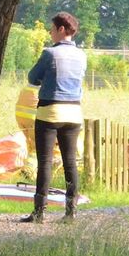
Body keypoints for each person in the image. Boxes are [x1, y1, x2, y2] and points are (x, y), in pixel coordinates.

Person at [22, 12, 87, 223]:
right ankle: (71, 211)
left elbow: (33, 77)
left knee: (45, 162)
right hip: (74, 113)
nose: (50, 33)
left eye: (51, 29)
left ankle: (39, 212)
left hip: (50, 111)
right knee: (70, 162)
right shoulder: (82, 55)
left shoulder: (49, 54)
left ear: (61, 29)